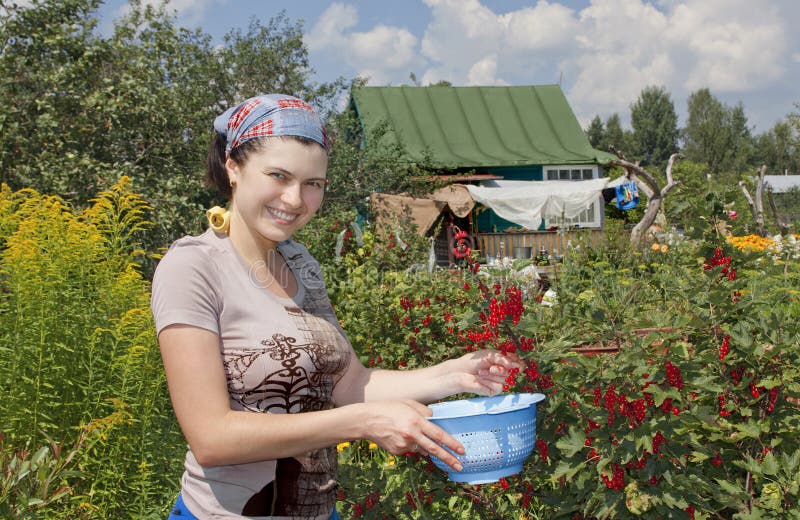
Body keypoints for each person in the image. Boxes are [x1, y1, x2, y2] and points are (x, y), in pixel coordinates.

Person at [151, 93, 520, 520]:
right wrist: (362, 423)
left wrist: (453, 374)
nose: (294, 199)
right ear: (234, 167)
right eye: (278, 176)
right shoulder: (192, 267)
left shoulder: (300, 263)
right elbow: (211, 438)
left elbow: (350, 384)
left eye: (313, 184)